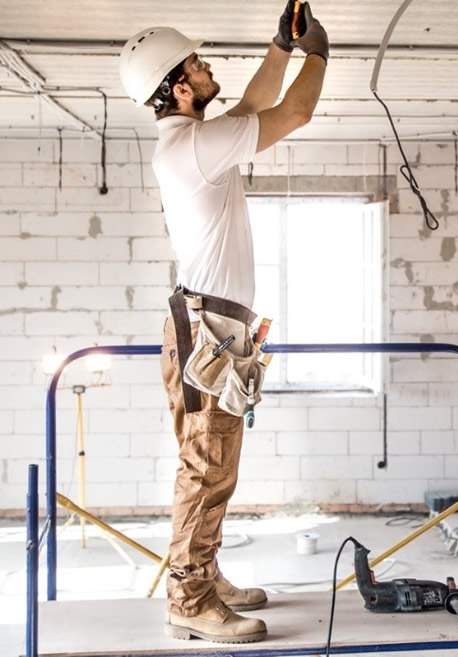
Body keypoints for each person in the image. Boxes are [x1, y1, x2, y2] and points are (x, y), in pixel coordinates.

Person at [118, 2, 328, 644]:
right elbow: (292, 112)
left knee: (211, 464)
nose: (211, 69)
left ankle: (203, 574)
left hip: (210, 325)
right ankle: (188, 598)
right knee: (205, 467)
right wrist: (319, 52)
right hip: (207, 329)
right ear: (181, 87)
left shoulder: (196, 143)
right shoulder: (190, 149)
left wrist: (281, 48)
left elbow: (248, 110)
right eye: (200, 65)